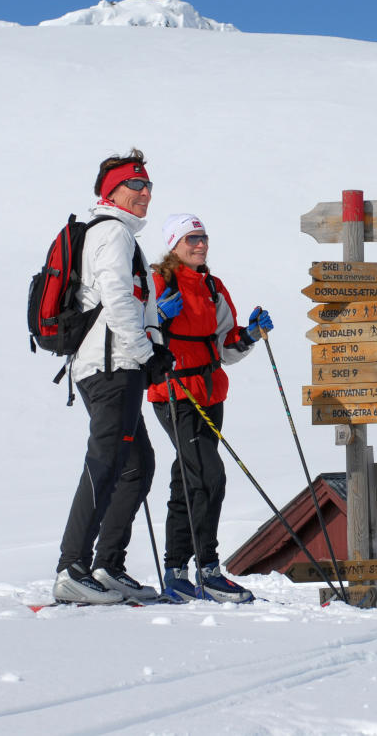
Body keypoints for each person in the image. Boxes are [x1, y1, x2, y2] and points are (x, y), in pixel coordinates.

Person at [52, 149, 176, 604]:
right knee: (106, 463)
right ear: (113, 192)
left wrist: (150, 350)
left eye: (148, 186)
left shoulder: (118, 234)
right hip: (111, 366)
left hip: (114, 364)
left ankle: (107, 566)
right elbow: (118, 299)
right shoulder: (113, 234)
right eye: (136, 186)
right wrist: (146, 354)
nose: (145, 194)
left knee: (136, 466)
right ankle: (72, 567)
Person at [147, 212, 273, 603]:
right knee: (208, 475)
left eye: (202, 238)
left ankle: (176, 572)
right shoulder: (159, 282)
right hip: (174, 390)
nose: (199, 244)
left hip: (210, 391)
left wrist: (249, 335)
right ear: (174, 244)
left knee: (189, 477)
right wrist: (155, 319)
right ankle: (207, 570)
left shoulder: (213, 287)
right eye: (191, 239)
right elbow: (132, 329)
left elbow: (224, 344)